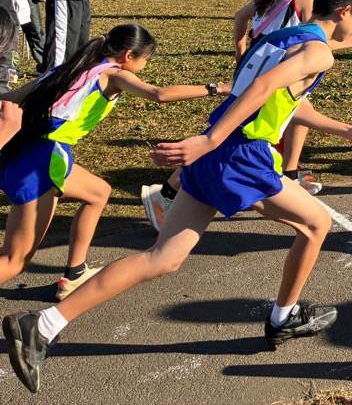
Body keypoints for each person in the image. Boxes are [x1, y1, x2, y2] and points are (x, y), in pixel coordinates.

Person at [2, 0, 352, 395]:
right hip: (239, 153)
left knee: (163, 258)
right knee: (317, 224)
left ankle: (42, 324)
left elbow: (281, 96)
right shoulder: (319, 54)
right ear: (345, 10)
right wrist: (210, 139)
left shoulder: (283, 36)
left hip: (217, 152)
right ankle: (284, 317)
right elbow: (261, 89)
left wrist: (348, 130)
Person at [0, 23, 230, 304]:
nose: (146, 64)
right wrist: (218, 88)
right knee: (14, 261)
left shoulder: (69, 68)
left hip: (23, 151)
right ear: (129, 55)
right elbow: (159, 94)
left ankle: (74, 273)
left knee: (98, 192)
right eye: (147, 58)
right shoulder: (113, 75)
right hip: (44, 161)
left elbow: (10, 97)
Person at [142, 0, 330, 224]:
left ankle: (289, 175)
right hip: (279, 73)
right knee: (239, 136)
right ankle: (166, 194)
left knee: (250, 130)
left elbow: (240, 17)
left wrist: (240, 48)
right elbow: (313, 36)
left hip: (255, 68)